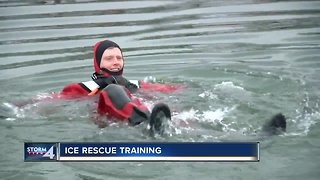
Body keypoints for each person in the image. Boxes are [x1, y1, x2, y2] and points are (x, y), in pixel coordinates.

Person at [60, 40, 182, 127]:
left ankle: (163, 122)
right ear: (98, 63)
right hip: (106, 122)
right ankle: (143, 121)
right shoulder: (83, 88)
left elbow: (172, 89)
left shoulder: (137, 84)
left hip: (137, 113)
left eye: (119, 58)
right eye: (109, 59)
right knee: (113, 90)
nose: (116, 62)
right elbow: (48, 101)